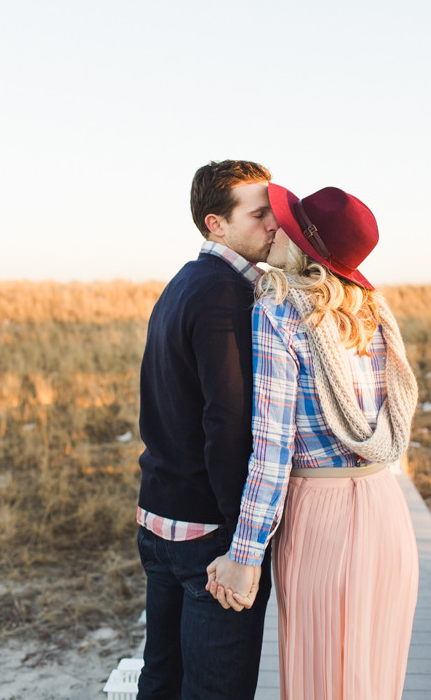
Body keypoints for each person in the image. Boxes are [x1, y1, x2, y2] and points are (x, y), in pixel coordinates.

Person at [207, 182, 419, 700]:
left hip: (323, 520)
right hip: (386, 509)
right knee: (373, 684)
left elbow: (272, 449)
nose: (273, 227)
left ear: (305, 244)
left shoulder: (278, 309)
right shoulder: (370, 311)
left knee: (322, 682)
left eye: (286, 223)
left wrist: (244, 555)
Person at [136, 160, 278, 700]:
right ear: (215, 224)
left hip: (160, 518)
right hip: (208, 534)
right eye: (259, 214)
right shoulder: (228, 294)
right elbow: (229, 423)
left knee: (162, 680)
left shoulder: (183, 282)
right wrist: (243, 540)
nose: (274, 224)